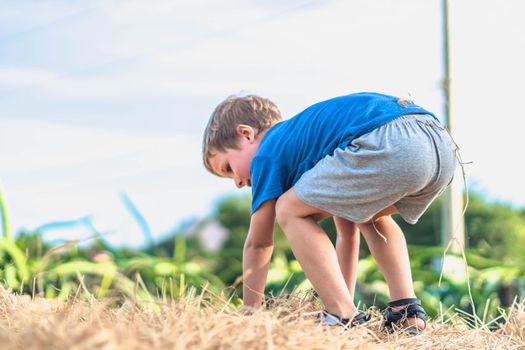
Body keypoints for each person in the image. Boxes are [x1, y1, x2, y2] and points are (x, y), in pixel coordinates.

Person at [202, 92, 457, 334]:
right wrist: (343, 304)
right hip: (439, 145)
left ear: (246, 134)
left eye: (228, 168)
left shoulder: (267, 153)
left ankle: (342, 314)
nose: (236, 182)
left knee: (288, 209)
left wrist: (250, 314)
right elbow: (348, 230)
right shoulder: (314, 145)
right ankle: (405, 310)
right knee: (369, 215)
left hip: (391, 140)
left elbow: (259, 244)